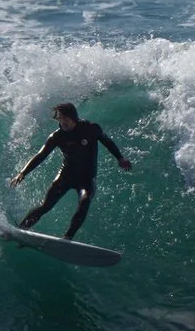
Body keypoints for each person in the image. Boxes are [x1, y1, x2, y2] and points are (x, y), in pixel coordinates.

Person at [11, 101, 132, 239]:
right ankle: (20, 230)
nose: (63, 122)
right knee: (45, 206)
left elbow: (107, 141)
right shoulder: (57, 136)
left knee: (85, 200)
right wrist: (23, 173)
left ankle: (67, 237)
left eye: (65, 118)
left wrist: (120, 158)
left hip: (87, 177)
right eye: (60, 119)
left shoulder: (91, 128)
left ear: (73, 117)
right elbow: (41, 155)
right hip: (66, 175)